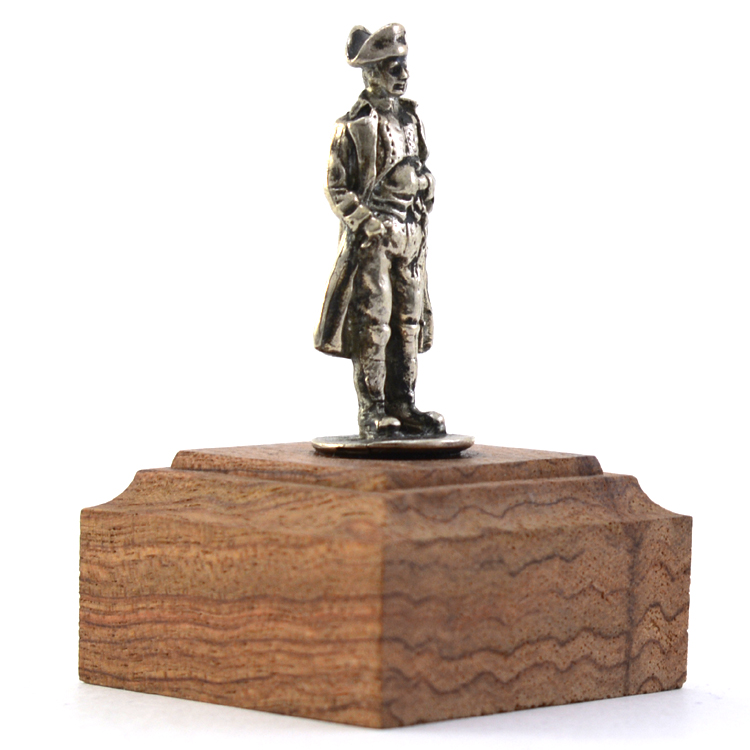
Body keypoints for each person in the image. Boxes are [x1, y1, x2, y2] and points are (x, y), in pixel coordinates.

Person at [314, 23, 445, 439]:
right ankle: (373, 411)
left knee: (408, 322)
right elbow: (336, 186)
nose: (403, 74)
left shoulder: (411, 118)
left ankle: (403, 404)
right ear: (371, 73)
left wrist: (426, 187)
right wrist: (365, 223)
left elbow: (422, 165)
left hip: (411, 236)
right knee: (374, 324)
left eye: (403, 65)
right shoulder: (351, 125)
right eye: (393, 67)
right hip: (375, 240)